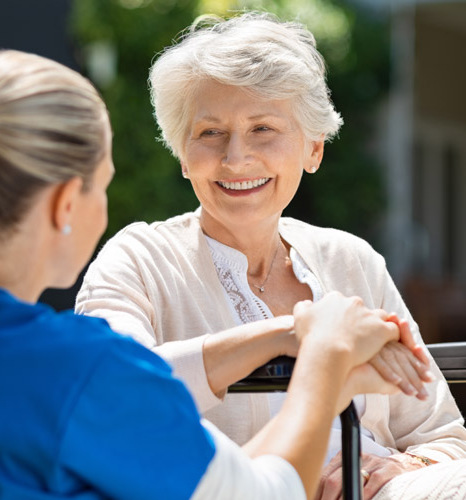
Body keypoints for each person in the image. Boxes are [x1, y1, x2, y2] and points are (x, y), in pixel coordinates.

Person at [0, 48, 419, 500]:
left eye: (262, 128)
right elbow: (260, 495)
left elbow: (225, 486)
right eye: (104, 183)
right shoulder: (81, 370)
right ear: (66, 204)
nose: (236, 157)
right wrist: (325, 356)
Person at [75, 11, 466, 500]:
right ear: (182, 153)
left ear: (313, 149)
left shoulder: (351, 259)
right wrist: (295, 335)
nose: (236, 157)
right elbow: (110, 393)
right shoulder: (138, 259)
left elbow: (443, 434)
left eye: (263, 128)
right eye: (210, 132)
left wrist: (394, 468)